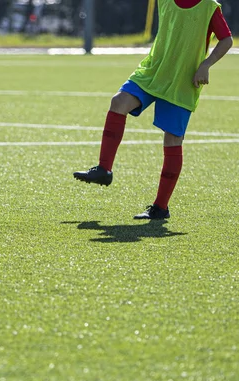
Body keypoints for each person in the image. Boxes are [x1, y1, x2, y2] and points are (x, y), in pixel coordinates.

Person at [73, 0, 233, 219]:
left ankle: (160, 207)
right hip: (153, 71)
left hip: (182, 81)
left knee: (172, 140)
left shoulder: (208, 6)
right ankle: (104, 170)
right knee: (119, 102)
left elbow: (226, 39)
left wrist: (206, 64)